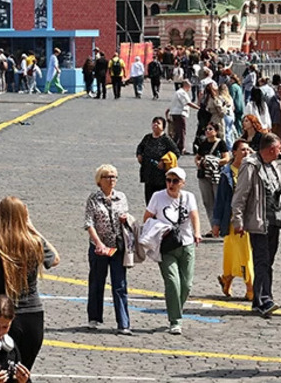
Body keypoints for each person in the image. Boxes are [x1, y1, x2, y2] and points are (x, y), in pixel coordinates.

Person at [0, 196, 57, 369]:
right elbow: (55, 258)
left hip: (0, 314)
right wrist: (32, 228)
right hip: (33, 315)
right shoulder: (34, 244)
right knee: (23, 373)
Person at [230, 132, 281, 318]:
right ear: (271, 149)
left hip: (274, 221)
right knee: (261, 260)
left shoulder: (273, 165)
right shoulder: (251, 165)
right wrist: (237, 220)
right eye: (279, 148)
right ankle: (265, 299)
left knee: (268, 261)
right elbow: (240, 195)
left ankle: (258, 300)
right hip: (259, 221)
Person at [144, 167, 201, 335]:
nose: (171, 184)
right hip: (166, 246)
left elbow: (194, 215)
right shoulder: (157, 197)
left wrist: (197, 232)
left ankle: (176, 308)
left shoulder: (189, 197)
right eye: (168, 180)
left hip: (186, 244)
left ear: (182, 183)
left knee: (186, 285)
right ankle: (175, 320)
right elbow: (147, 218)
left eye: (175, 181)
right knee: (172, 283)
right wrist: (161, 228)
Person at [84, 165, 131, 335]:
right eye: (107, 177)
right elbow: (88, 223)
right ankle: (94, 317)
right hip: (99, 248)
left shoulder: (121, 197)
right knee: (97, 282)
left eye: (114, 177)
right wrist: (98, 244)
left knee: (120, 284)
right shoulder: (93, 198)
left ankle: (123, 323)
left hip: (117, 247)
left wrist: (127, 219)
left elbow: (127, 218)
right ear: (100, 180)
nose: (112, 180)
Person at [211, 139, 254, 301]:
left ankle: (226, 278)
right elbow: (220, 200)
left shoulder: (252, 169)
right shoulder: (227, 173)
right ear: (234, 152)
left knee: (245, 253)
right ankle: (250, 287)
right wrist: (216, 223)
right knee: (240, 254)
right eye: (243, 150)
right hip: (232, 221)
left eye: (248, 150)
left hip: (249, 219)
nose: (246, 153)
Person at [193, 124, 228, 234]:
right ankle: (213, 227)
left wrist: (214, 162)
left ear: (216, 131)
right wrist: (199, 162)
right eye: (206, 129)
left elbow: (226, 158)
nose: (207, 131)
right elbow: (197, 157)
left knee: (218, 200)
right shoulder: (203, 144)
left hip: (216, 175)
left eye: (210, 129)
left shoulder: (221, 143)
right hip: (204, 175)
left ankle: (221, 225)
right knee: (208, 201)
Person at [136, 116, 179, 204]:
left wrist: (164, 161)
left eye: (158, 123)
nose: (155, 124)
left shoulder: (166, 139)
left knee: (161, 198)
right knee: (149, 199)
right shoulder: (147, 137)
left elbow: (176, 153)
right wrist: (139, 155)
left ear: (163, 126)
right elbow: (140, 147)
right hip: (148, 173)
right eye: (154, 122)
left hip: (161, 175)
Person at [168, 80, 196, 155]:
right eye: (189, 86)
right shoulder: (182, 93)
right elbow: (188, 103)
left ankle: (173, 147)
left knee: (177, 132)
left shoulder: (178, 92)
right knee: (181, 131)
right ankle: (181, 148)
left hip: (175, 113)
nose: (190, 88)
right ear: (186, 85)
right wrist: (199, 108)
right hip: (179, 113)